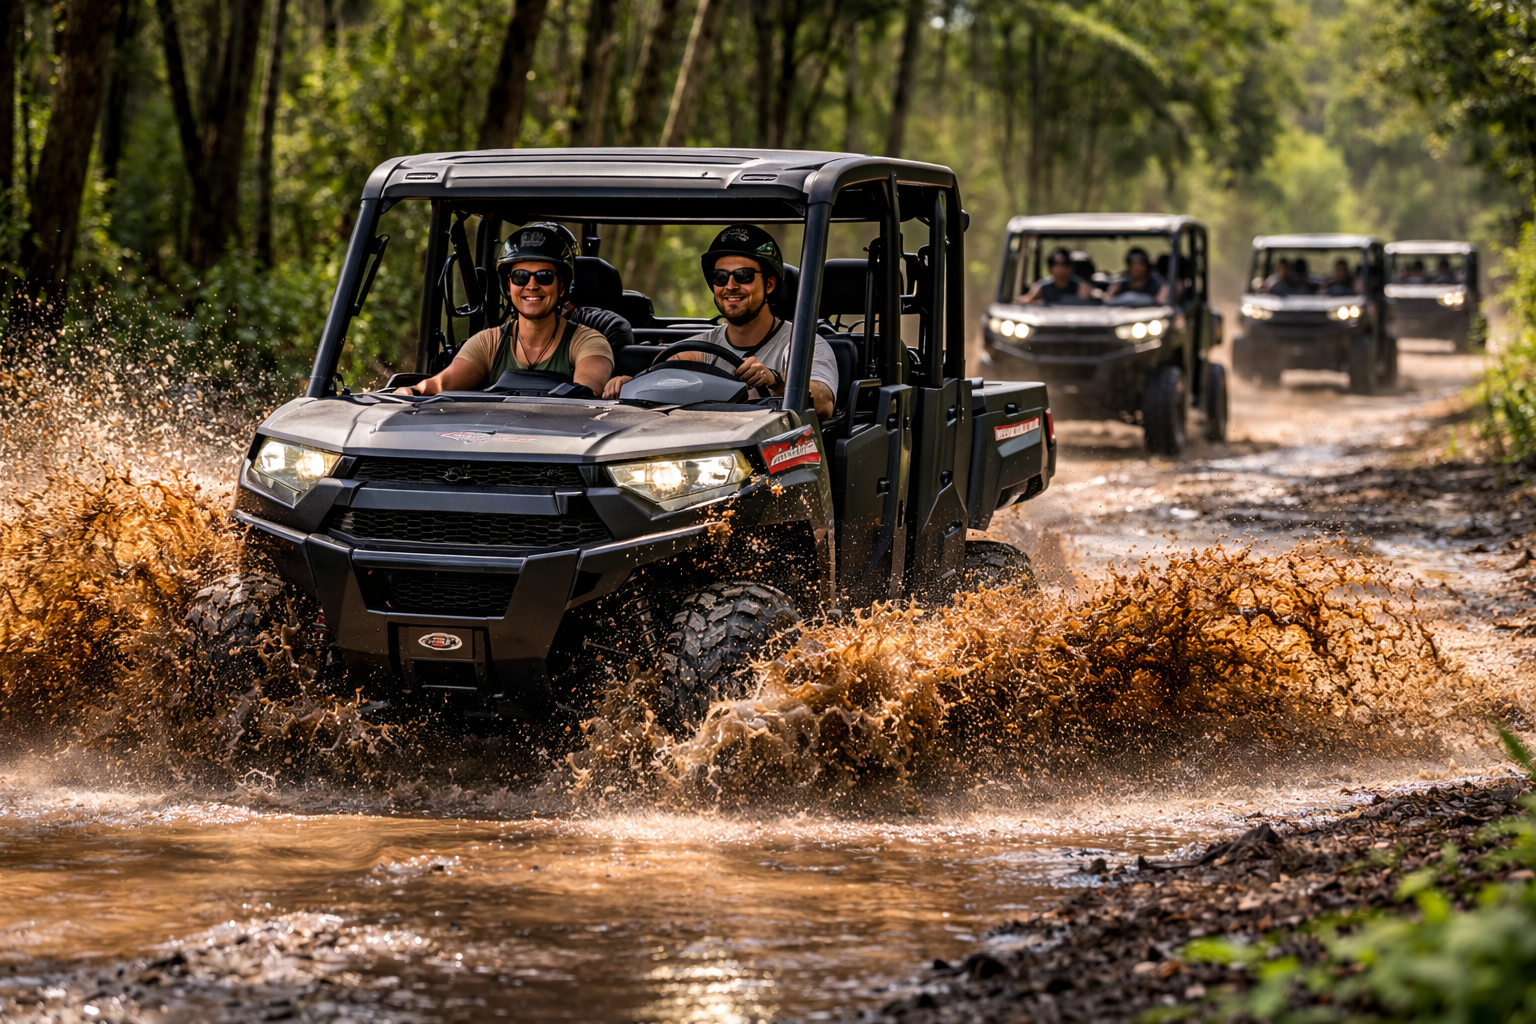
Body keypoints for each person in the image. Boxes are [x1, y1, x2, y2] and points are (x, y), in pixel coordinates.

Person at [602, 224, 839, 420]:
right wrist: (631, 383)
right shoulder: (698, 349)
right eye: (720, 277)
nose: (730, 286)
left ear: (769, 284)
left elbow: (823, 401)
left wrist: (775, 379)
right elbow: (666, 373)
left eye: (744, 276)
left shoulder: (804, 345)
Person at [398, 222, 613, 395]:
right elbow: (442, 384)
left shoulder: (588, 342)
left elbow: (587, 391)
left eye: (544, 276)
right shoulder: (488, 343)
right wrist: (410, 392)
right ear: (507, 286)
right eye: (520, 277)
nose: (531, 285)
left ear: (563, 286)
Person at [1021, 248, 1092, 304]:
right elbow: (1025, 302)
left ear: (1069, 268)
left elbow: (1089, 303)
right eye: (1056, 266)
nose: (1059, 270)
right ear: (1050, 268)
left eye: (1062, 265)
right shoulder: (1042, 287)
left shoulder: (1079, 286)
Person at [1104, 247, 1169, 304]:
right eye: (1133, 265)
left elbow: (1161, 303)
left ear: (1146, 267)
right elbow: (1107, 301)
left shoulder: (1157, 285)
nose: (1136, 268)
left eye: (1140, 265)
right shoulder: (1120, 285)